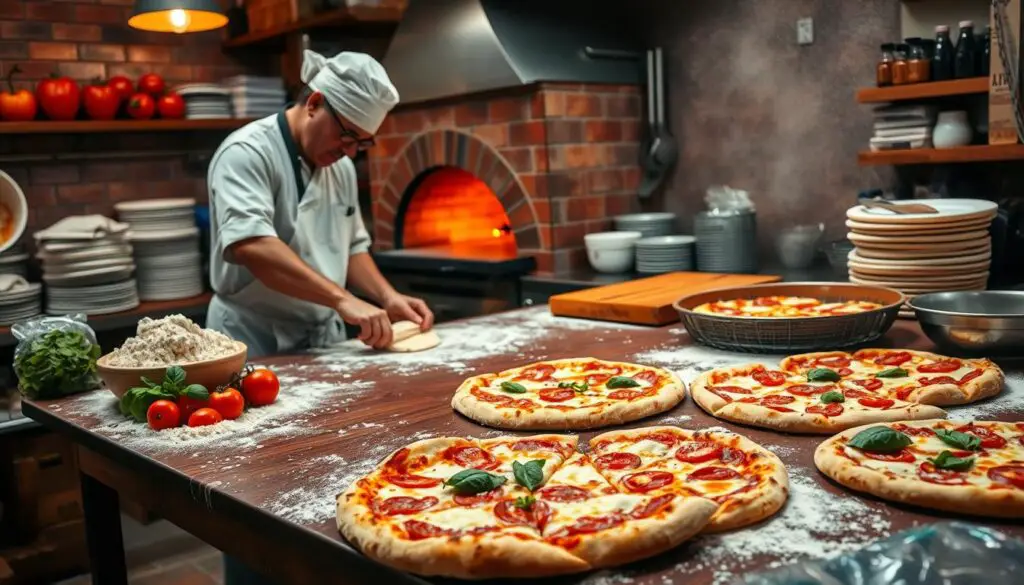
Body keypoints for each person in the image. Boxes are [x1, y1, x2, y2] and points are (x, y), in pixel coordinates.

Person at [205, 50, 434, 584]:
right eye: (347, 136)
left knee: (322, 471)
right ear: (314, 103)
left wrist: (386, 296)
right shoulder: (247, 151)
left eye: (362, 144)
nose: (350, 151)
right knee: (255, 483)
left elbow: (351, 245)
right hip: (251, 342)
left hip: (318, 341)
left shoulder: (338, 165)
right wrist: (343, 301)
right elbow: (251, 246)